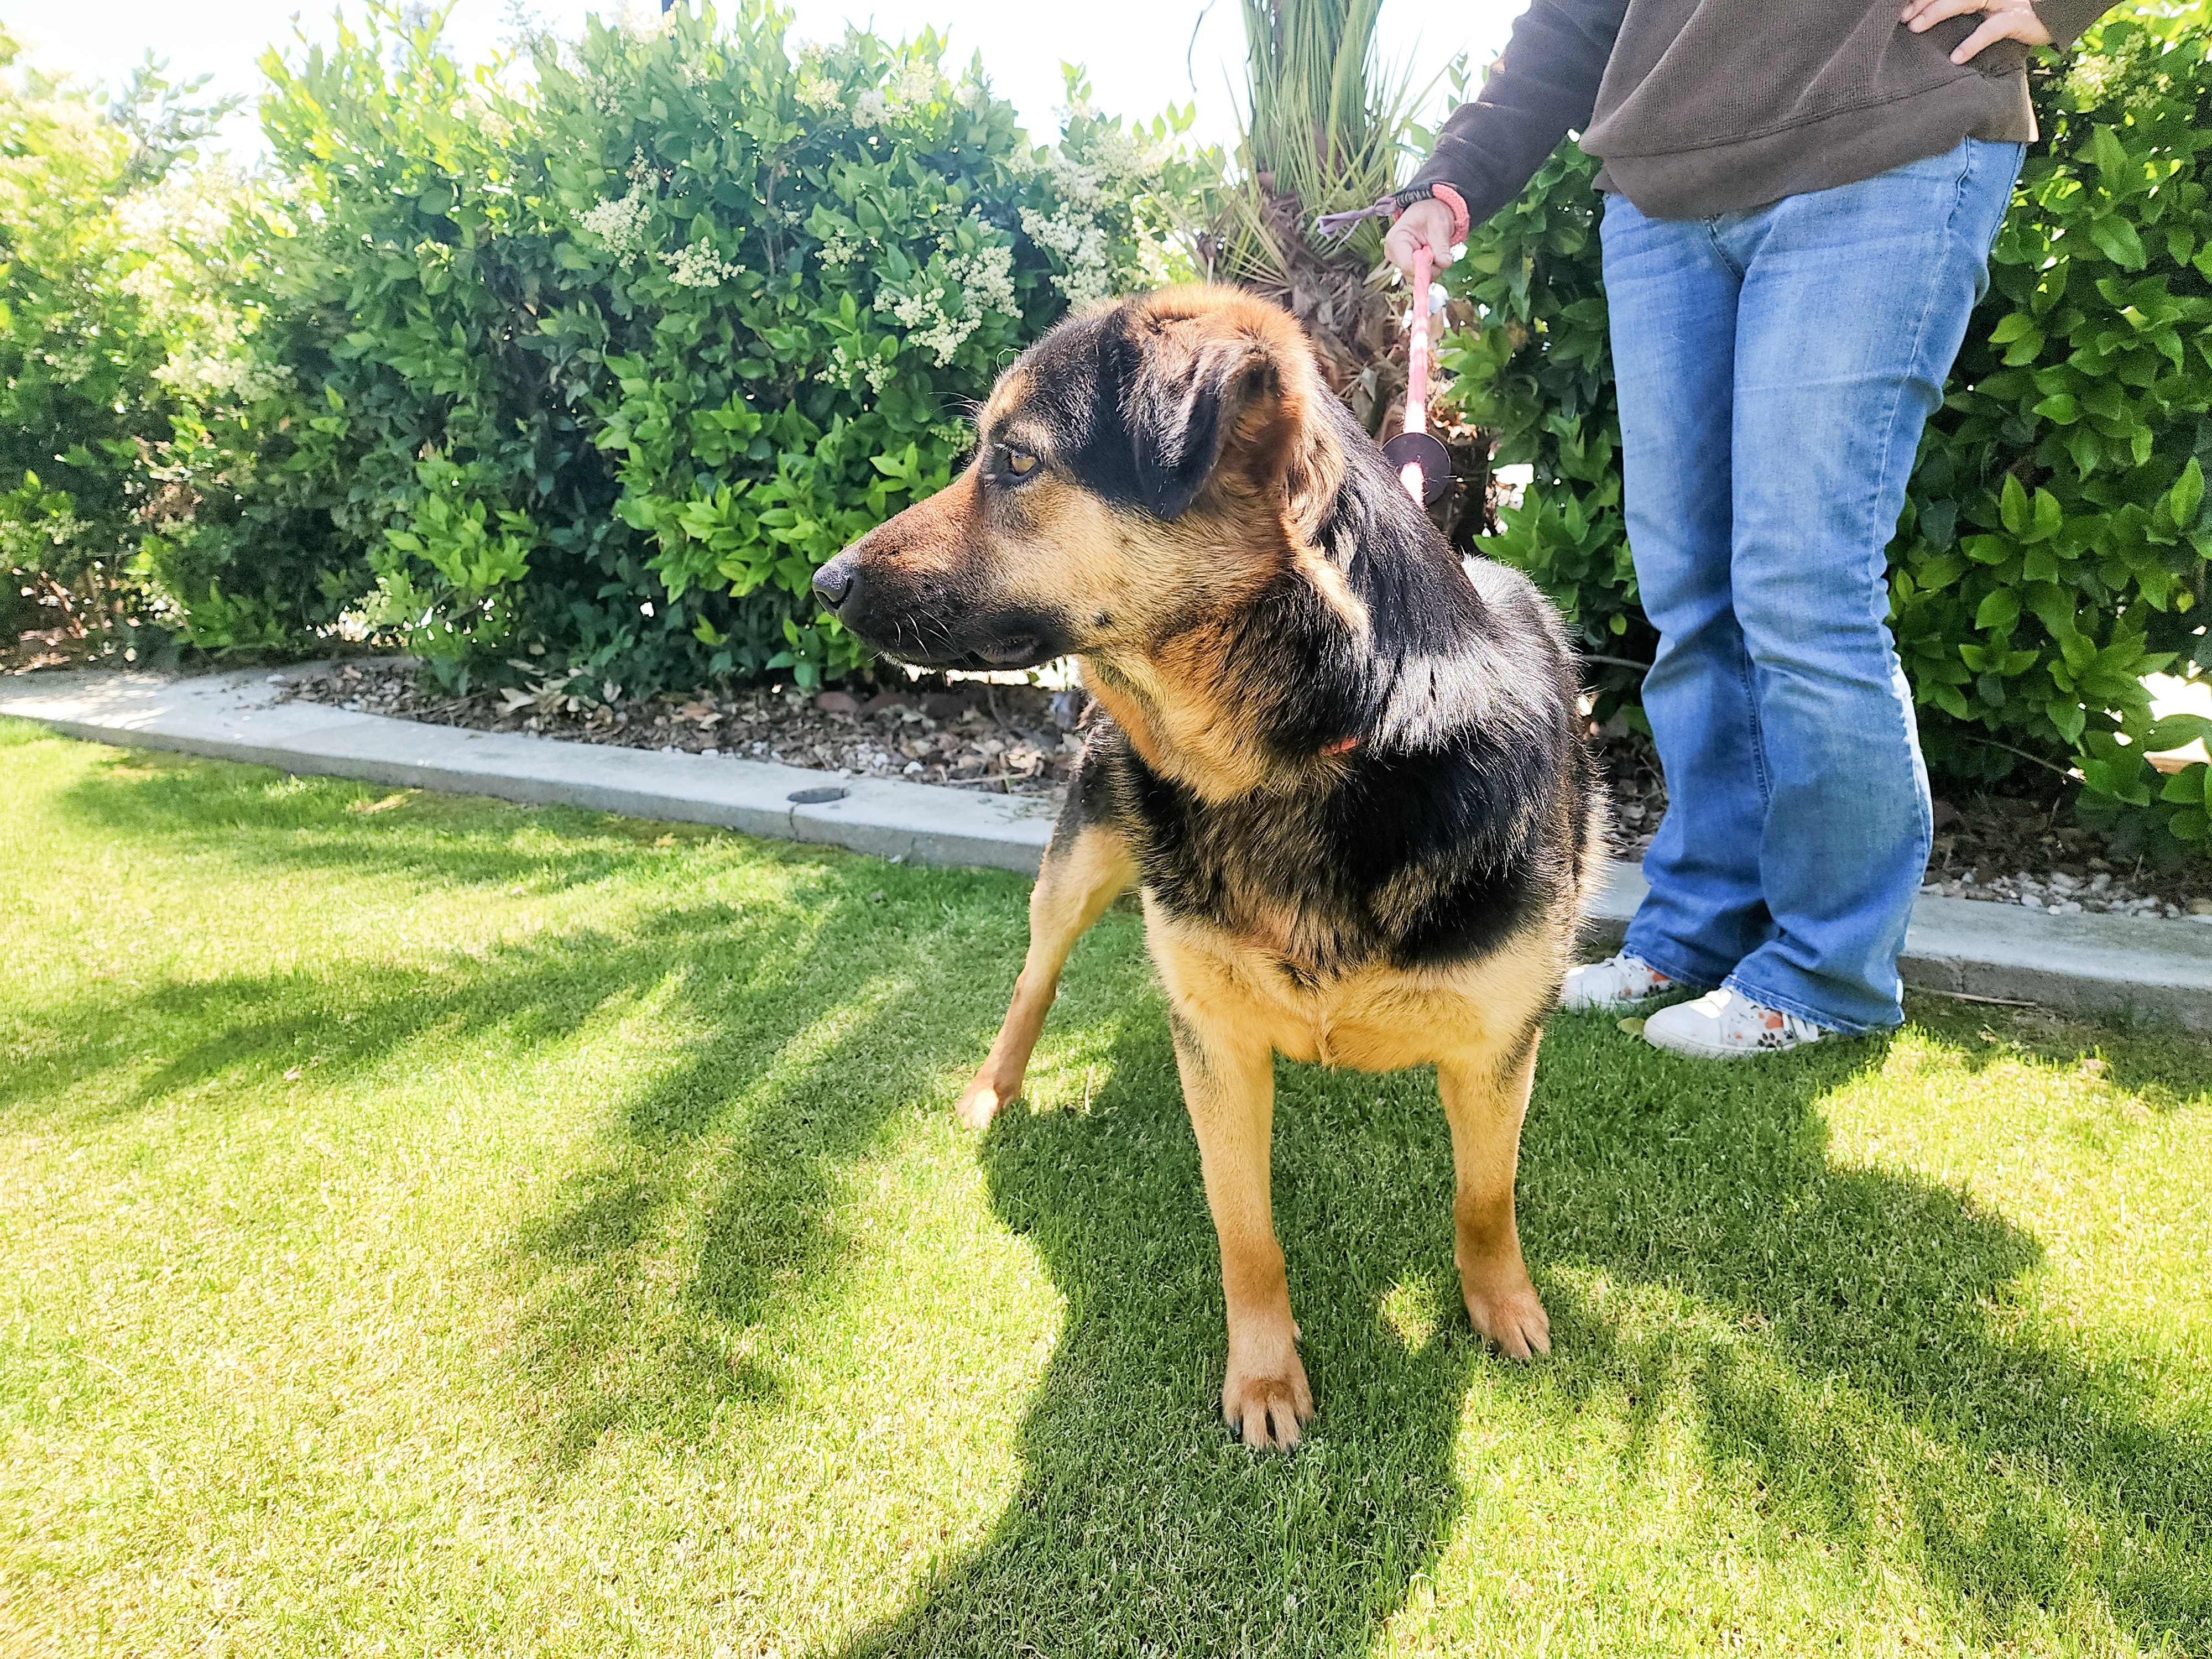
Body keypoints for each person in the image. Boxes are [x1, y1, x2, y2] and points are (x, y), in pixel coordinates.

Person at [1385, 0, 2112, 1060]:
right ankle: (1695, 928)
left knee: (1804, 590)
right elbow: (1576, 19)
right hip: (1662, 193)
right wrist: (1457, 177)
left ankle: (1830, 970)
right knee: (1691, 599)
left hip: (1879, 134)